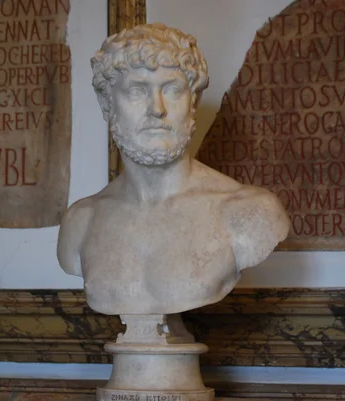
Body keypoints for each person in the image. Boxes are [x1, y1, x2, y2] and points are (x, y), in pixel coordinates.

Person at [57, 23, 289, 315]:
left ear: (194, 102)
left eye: (172, 90)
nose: (157, 109)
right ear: (107, 103)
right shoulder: (81, 222)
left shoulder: (249, 212)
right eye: (138, 91)